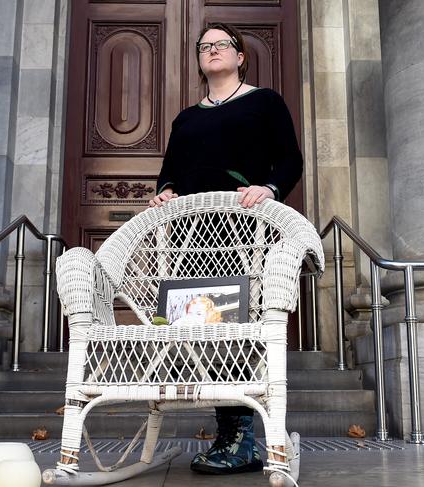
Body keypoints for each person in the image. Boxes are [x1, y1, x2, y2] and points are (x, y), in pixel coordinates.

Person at [148, 22, 303, 475]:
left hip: (245, 235)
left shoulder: (265, 102)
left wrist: (271, 187)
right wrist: (166, 192)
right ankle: (230, 433)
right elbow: (170, 172)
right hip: (190, 239)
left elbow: (289, 159)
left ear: (239, 55)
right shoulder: (186, 118)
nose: (213, 50)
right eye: (205, 47)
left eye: (222, 44)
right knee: (202, 333)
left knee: (239, 330)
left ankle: (244, 437)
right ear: (199, 60)